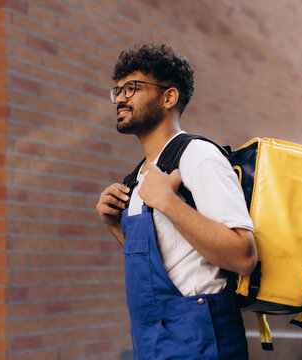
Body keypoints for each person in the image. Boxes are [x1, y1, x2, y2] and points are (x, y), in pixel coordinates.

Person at [96, 43, 258, 360]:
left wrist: (168, 202)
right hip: (152, 342)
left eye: (132, 87)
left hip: (201, 341)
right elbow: (169, 262)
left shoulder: (198, 156)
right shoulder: (139, 176)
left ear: (169, 97)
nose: (120, 98)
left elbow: (243, 255)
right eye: (117, 90)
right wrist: (116, 226)